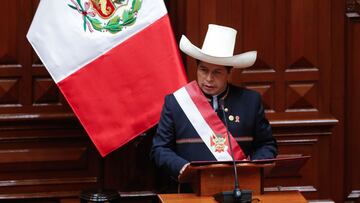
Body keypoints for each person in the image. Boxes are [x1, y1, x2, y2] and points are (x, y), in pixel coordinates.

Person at [150, 24, 277, 182]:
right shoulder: (176, 103)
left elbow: (266, 144)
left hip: (239, 188)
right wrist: (184, 168)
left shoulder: (250, 101)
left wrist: (253, 167)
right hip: (190, 191)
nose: (209, 78)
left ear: (229, 73)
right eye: (203, 70)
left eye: (217, 72)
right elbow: (160, 149)